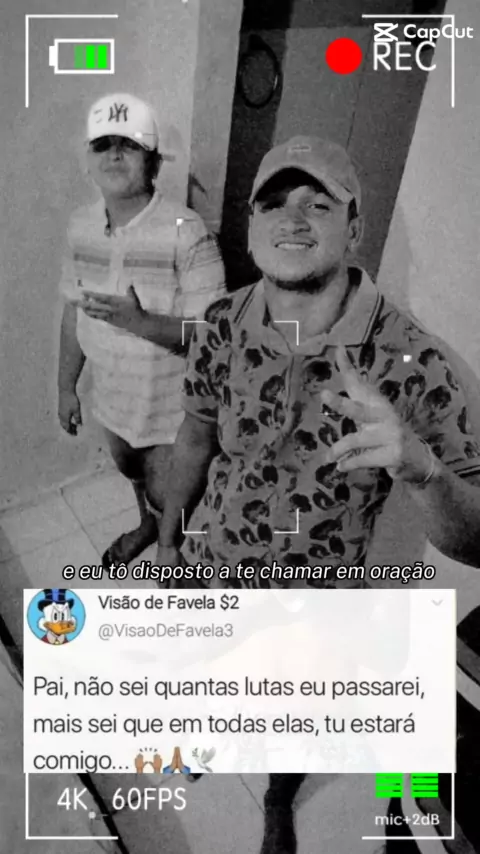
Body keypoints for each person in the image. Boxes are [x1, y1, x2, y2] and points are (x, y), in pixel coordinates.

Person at [155, 135, 480, 853]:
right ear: (250, 226)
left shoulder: (414, 361)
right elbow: (195, 436)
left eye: (318, 203)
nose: (293, 218)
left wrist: (422, 469)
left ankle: (278, 795)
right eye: (273, 202)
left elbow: (477, 543)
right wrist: (170, 538)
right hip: (215, 570)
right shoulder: (219, 326)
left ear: (354, 226)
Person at [57, 92, 225, 568]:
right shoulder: (80, 227)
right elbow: (72, 313)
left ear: (152, 161)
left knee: (168, 489)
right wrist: (65, 387)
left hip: (171, 407)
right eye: (103, 144)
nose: (114, 154)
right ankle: (149, 526)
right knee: (130, 469)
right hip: (112, 396)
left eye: (128, 144)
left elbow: (213, 335)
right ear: (88, 161)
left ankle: (172, 546)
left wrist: (141, 323)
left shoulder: (186, 230)